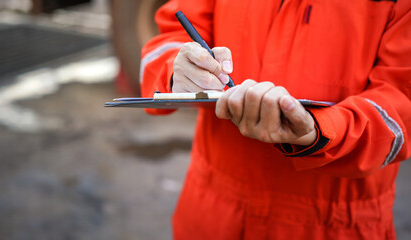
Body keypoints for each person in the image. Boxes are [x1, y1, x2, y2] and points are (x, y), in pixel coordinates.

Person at [140, 0, 411, 239]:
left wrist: (319, 132)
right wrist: (178, 71)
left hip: (331, 225)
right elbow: (172, 34)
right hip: (211, 214)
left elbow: (400, 104)